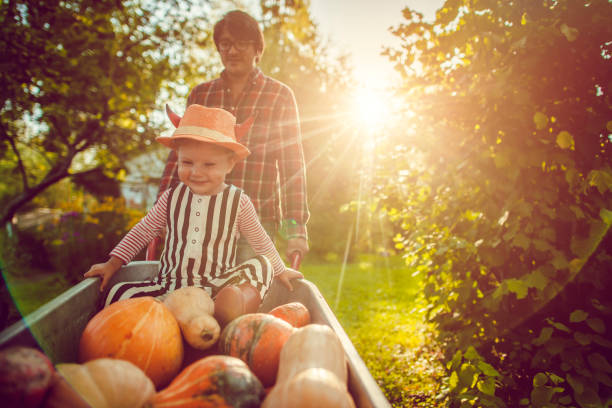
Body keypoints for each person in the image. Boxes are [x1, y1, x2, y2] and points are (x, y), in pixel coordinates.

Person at [84, 104, 303, 325]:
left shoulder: (238, 202)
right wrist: (113, 264)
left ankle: (232, 312)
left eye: (209, 164)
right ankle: (156, 319)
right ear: (177, 157)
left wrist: (280, 269)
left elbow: (260, 240)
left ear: (230, 165)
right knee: (118, 292)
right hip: (168, 286)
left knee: (262, 264)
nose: (196, 172)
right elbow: (143, 231)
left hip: (217, 287)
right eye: (187, 162)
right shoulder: (171, 198)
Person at [157, 9, 309, 264]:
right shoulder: (202, 95)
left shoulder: (279, 96)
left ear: (257, 49)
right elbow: (179, 155)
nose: (233, 51)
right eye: (226, 44)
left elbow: (292, 161)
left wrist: (296, 228)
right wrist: (163, 210)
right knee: (197, 292)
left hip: (257, 219)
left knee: (246, 295)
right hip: (202, 215)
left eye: (242, 43)